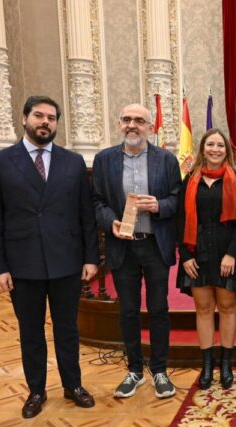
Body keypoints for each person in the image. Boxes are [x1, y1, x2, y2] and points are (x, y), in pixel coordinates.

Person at [0, 95, 99, 418]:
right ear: (24, 119)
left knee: (67, 329)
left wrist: (91, 258)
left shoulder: (73, 162)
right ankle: (36, 391)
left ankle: (73, 385)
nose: (45, 122)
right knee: (31, 332)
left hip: (66, 261)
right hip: (22, 265)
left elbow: (86, 216)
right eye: (38, 115)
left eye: (51, 117)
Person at [91, 104, 181, 399]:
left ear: (150, 128)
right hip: (122, 246)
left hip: (155, 244)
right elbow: (97, 201)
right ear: (119, 124)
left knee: (158, 310)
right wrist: (111, 222)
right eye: (127, 119)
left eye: (139, 121)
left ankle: (160, 371)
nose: (132, 125)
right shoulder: (104, 160)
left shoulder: (166, 160)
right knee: (128, 310)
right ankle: (134, 370)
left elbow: (177, 199)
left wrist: (158, 205)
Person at [176, 128, 236, 389]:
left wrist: (232, 254)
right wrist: (185, 255)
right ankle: (207, 365)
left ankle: (226, 364)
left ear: (226, 150)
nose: (215, 149)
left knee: (227, 307)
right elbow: (180, 219)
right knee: (203, 308)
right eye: (211, 145)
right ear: (203, 148)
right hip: (197, 251)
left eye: (220, 145)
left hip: (227, 252)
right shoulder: (191, 179)